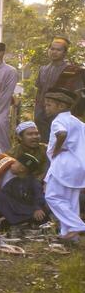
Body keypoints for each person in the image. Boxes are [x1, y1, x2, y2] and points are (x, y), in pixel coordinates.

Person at [42, 88, 85, 243]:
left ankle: (77, 226)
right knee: (70, 200)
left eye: (48, 105)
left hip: (64, 163)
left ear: (60, 106)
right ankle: (70, 236)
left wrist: (57, 149)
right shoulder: (77, 121)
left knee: (52, 196)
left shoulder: (59, 120)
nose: (46, 108)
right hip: (78, 165)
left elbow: (61, 134)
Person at [35, 37, 73, 137]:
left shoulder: (70, 71)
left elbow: (74, 95)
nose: (54, 52)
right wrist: (37, 109)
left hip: (60, 112)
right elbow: (39, 91)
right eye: (52, 49)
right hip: (42, 112)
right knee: (44, 141)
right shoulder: (43, 69)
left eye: (58, 50)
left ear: (65, 53)